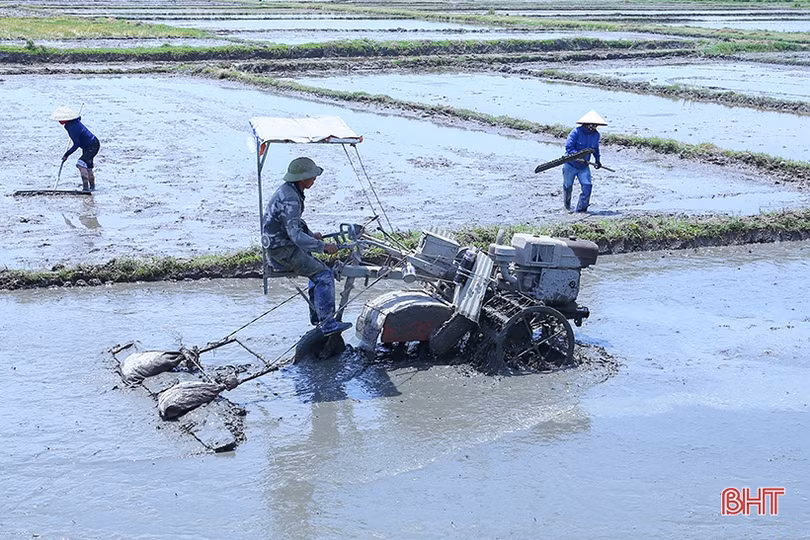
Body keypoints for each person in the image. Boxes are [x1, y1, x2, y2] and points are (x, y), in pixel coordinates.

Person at [262, 157, 352, 337]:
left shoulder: (289, 191)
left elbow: (295, 224)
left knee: (316, 271)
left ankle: (317, 316)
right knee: (324, 275)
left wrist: (311, 235)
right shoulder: (290, 198)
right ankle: (327, 323)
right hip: (282, 251)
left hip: (280, 246)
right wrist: (322, 246)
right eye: (312, 176)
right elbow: (295, 235)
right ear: (302, 178)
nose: (314, 179)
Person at [562, 110, 607, 213]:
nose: (593, 127)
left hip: (584, 166)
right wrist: (577, 156)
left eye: (596, 125)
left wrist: (597, 160)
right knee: (568, 186)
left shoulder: (596, 135)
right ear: (586, 124)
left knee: (587, 186)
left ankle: (581, 210)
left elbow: (595, 148)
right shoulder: (576, 132)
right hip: (571, 164)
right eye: (592, 124)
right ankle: (567, 207)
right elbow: (569, 147)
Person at [51, 106, 100, 192]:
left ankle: (86, 188)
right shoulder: (74, 122)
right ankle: (92, 188)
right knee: (88, 167)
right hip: (89, 145)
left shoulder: (72, 127)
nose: (59, 121)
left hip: (92, 145)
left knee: (80, 164)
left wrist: (67, 154)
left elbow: (77, 144)